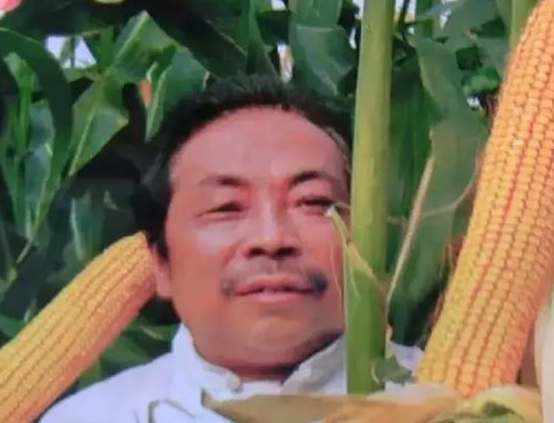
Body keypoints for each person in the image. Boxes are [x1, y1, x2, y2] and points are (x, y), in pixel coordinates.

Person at [40, 75, 422, 422]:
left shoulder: (444, 402)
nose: (271, 239)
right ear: (161, 264)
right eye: (225, 208)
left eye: (312, 202)